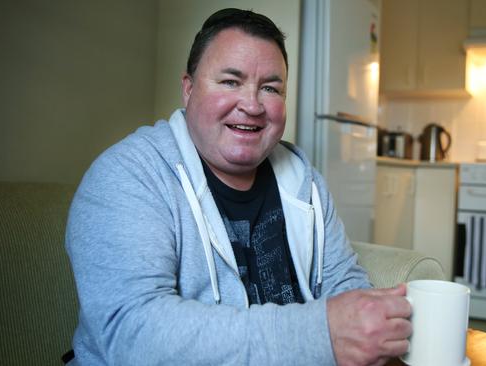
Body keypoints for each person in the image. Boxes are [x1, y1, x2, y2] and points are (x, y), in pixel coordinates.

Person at [66, 8, 411, 366]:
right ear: (188, 88)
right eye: (231, 81)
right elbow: (132, 334)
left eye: (270, 88)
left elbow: (344, 281)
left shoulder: (302, 179)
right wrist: (320, 333)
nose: (252, 105)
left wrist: (372, 329)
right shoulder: (128, 175)